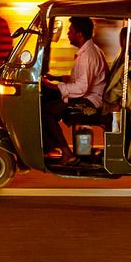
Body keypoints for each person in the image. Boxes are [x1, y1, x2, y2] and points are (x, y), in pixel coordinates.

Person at [41, 17, 109, 165]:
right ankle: (49, 146)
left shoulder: (88, 56)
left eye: (70, 30)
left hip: (91, 102)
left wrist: (55, 87)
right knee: (48, 99)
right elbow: (75, 79)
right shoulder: (87, 50)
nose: (67, 33)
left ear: (79, 34)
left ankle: (67, 153)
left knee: (46, 112)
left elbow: (81, 88)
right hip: (87, 96)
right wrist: (56, 78)